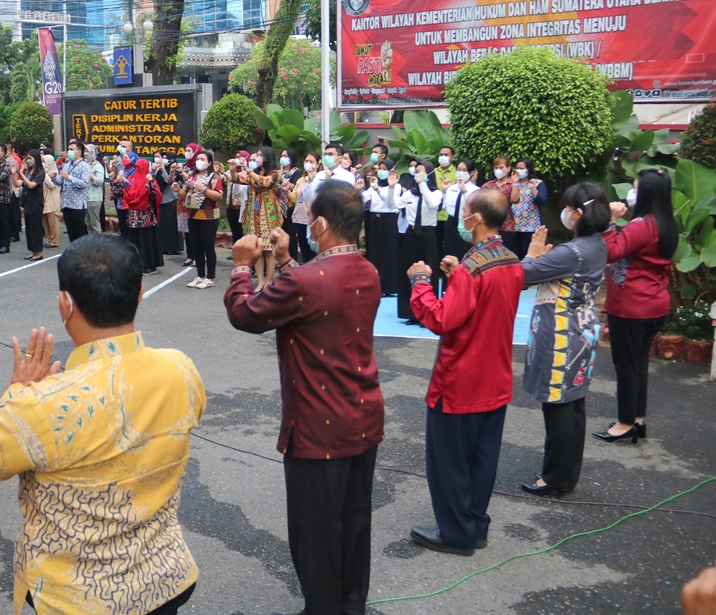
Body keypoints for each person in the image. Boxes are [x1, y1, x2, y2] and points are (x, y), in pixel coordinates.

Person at [0, 235, 205, 615]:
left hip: (79, 599)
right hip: (162, 577)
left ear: (64, 303)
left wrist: (16, 392)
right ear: (140, 293)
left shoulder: (42, 403)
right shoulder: (179, 368)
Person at [224, 180, 384, 615]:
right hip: (363, 416)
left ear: (321, 224)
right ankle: (351, 605)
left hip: (319, 427)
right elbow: (317, 288)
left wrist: (242, 268)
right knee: (354, 521)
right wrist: (290, 258)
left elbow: (245, 314)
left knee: (314, 532)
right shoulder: (366, 270)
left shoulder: (305, 281)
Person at [407, 189, 524, 555]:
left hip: (460, 381)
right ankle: (474, 524)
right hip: (495, 377)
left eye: (465, 212)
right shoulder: (508, 259)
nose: (462, 217)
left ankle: (456, 533)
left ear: (475, 219)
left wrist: (420, 282)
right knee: (482, 458)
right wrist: (457, 274)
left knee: (450, 461)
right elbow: (487, 304)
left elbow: (442, 318)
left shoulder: (473, 269)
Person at [519, 183, 610, 495]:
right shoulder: (597, 244)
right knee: (573, 402)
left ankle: (554, 477)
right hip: (583, 328)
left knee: (557, 405)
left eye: (569, 208)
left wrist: (532, 254)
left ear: (579, 213)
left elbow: (522, 275)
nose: (565, 213)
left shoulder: (570, 252)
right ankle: (566, 473)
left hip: (561, 333)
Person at [593, 167, 676, 444]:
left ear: (646, 193)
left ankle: (625, 423)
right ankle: (637, 418)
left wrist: (611, 220)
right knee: (638, 363)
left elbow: (612, 250)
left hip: (633, 306)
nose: (631, 192)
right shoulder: (665, 222)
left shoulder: (642, 225)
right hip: (654, 303)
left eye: (635, 187)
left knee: (627, 365)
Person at [387, 159, 442, 323]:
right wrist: (391, 189)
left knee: (428, 272)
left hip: (428, 235)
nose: (419, 173)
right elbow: (392, 206)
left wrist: (422, 184)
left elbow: (432, 203)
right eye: (417, 171)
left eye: (423, 171)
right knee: (408, 272)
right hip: (411, 235)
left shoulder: (436, 193)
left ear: (430, 173)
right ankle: (410, 312)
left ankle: (428, 313)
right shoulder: (410, 193)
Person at [240, 146, 284, 291]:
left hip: (269, 215)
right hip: (253, 214)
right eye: (257, 154)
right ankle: (260, 281)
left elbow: (264, 182)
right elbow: (238, 179)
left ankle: (269, 281)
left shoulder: (275, 173)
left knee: (269, 249)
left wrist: (248, 170)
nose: (257, 157)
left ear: (267, 157)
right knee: (257, 247)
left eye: (260, 155)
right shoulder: (255, 172)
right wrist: (233, 170)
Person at [183, 148, 223, 289]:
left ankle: (210, 278)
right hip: (192, 215)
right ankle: (200, 276)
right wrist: (178, 190)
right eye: (197, 159)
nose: (199, 162)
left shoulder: (214, 177)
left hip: (208, 217)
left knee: (208, 247)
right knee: (196, 247)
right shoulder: (191, 176)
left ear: (209, 163)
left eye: (202, 159)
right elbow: (184, 194)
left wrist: (204, 189)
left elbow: (219, 196)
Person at [362, 156, 399, 296]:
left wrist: (381, 189)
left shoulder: (396, 186)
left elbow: (391, 204)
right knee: (375, 253)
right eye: (380, 169)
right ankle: (376, 284)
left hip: (389, 221)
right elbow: (363, 197)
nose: (382, 171)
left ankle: (388, 286)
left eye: (385, 169)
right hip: (375, 220)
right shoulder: (374, 185)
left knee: (388, 254)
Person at [124, 155, 165, 275]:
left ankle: (149, 265)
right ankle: (135, 264)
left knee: (146, 241)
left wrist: (151, 181)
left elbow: (156, 196)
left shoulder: (150, 180)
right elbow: (127, 195)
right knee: (134, 241)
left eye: (140, 168)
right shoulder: (132, 180)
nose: (138, 170)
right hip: (133, 217)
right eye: (136, 167)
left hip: (146, 218)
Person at [441, 159, 479, 262]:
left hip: (466, 224)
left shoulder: (475, 190)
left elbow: (474, 208)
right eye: (458, 169)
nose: (460, 173)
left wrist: (464, 192)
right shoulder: (451, 188)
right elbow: (443, 206)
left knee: (464, 254)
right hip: (451, 223)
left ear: (471, 173)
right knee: (449, 255)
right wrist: (444, 191)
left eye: (464, 170)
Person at [53, 141, 91, 244]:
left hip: (78, 205)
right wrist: (53, 177)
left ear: (79, 152)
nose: (69, 151)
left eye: (71, 149)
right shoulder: (67, 165)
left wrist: (69, 177)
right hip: (67, 203)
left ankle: (83, 254)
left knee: (80, 232)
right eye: (69, 149)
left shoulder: (85, 166)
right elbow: (60, 181)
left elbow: (84, 183)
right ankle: (73, 254)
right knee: (71, 232)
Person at [510, 158, 547, 260]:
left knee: (529, 256)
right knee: (516, 257)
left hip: (531, 227)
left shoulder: (538, 183)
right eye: (517, 168)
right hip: (514, 227)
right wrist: (515, 183)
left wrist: (533, 189)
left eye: (521, 168)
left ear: (528, 169)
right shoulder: (513, 183)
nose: (518, 170)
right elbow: (512, 200)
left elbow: (542, 201)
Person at [480, 156, 518, 250]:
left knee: (504, 255)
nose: (498, 170)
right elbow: (479, 200)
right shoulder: (488, 185)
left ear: (508, 168)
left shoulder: (511, 185)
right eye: (496, 168)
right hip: (489, 225)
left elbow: (514, 200)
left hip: (506, 227)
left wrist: (515, 183)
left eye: (501, 167)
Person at [291, 152, 322, 263]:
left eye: (311, 161)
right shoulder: (301, 180)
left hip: (313, 219)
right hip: (300, 218)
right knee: (304, 248)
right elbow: (295, 197)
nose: (308, 164)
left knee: (313, 251)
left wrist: (312, 179)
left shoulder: (320, 179)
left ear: (318, 165)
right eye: (306, 161)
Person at [18, 150, 45, 260]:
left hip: (35, 203)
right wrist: (17, 174)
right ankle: (33, 250)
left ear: (36, 159)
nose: (28, 161)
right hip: (27, 202)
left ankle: (39, 252)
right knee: (29, 229)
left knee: (36, 229)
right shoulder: (28, 172)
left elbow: (31, 185)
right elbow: (18, 184)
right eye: (27, 158)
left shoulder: (40, 172)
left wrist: (21, 174)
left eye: (30, 158)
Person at [433, 146, 457, 263]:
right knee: (436, 244)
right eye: (441, 154)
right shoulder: (433, 172)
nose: (443, 157)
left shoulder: (457, 173)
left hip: (449, 215)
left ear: (452, 157)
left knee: (449, 244)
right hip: (434, 215)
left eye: (446, 155)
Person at [156, 152, 183, 255]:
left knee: (172, 224)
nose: (163, 160)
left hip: (171, 200)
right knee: (164, 224)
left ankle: (174, 247)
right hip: (163, 200)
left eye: (166, 158)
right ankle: (164, 247)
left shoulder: (174, 171)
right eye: (163, 158)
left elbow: (168, 180)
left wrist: (163, 168)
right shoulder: (159, 169)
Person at [279, 148, 302, 261]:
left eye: (285, 156)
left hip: (289, 206)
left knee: (290, 235)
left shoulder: (296, 172)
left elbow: (295, 187)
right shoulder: (278, 171)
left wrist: (282, 178)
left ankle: (292, 259)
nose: (282, 158)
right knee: (280, 234)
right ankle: (282, 258)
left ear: (291, 158)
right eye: (281, 155)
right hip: (278, 206)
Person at [42, 153, 61, 249]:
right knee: (45, 223)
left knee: (52, 222)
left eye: (45, 162)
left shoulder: (55, 172)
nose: (43, 163)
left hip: (52, 200)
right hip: (44, 199)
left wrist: (45, 174)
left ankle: (54, 241)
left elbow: (51, 185)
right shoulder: (43, 172)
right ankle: (48, 240)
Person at [85, 145, 105, 234]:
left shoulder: (97, 165)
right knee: (87, 222)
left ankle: (98, 242)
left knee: (94, 222)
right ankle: (90, 241)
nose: (85, 153)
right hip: (85, 197)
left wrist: (91, 176)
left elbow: (100, 181)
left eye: (87, 151)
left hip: (94, 198)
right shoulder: (85, 164)